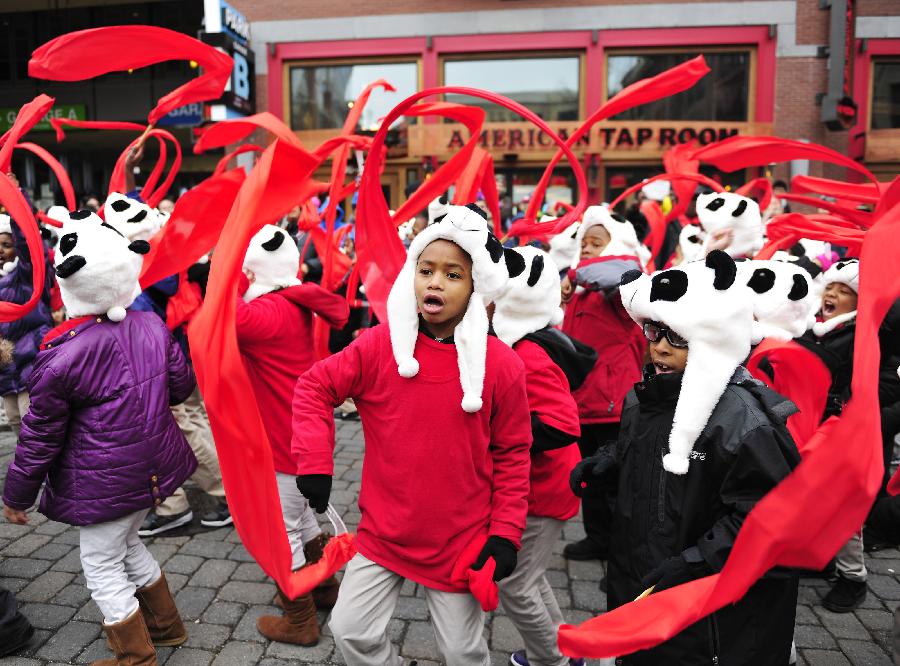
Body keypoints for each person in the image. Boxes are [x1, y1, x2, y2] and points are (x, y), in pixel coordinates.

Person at [292, 204, 531, 666]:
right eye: (426, 270)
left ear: (476, 286)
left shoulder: (503, 366)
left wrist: (505, 534)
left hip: (460, 540)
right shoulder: (379, 344)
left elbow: (514, 453)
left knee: (463, 652)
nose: (435, 282)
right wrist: (315, 463)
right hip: (385, 533)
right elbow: (314, 387)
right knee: (349, 630)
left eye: (453, 274)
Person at [572, 251, 800, 665]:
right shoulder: (642, 400)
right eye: (654, 331)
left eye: (676, 337)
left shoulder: (742, 421)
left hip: (705, 609)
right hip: (640, 581)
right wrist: (609, 461)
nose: (659, 347)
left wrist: (694, 563)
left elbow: (767, 520)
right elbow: (645, 454)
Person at [2, 208, 196, 665]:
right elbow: (182, 387)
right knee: (128, 544)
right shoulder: (150, 325)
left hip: (104, 480)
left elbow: (38, 439)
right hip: (151, 469)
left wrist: (16, 497)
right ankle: (167, 627)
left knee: (102, 562)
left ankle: (135, 655)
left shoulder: (62, 358)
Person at [233, 224, 349, 645]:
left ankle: (299, 621)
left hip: (288, 439)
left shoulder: (267, 312)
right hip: (304, 433)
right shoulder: (290, 301)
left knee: (281, 531)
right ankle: (322, 588)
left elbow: (226, 317)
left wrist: (228, 273)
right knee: (300, 518)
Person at [492, 245, 593, 666]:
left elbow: (562, 424)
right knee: (530, 577)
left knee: (514, 583)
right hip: (544, 486)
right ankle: (561, 649)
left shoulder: (528, 354)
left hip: (544, 488)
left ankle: (550, 659)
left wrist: (500, 436)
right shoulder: (520, 345)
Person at [559, 206, 645, 562]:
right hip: (584, 402)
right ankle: (599, 538)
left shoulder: (619, 286)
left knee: (614, 481)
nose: (587, 247)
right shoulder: (582, 290)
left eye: (597, 242)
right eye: (584, 243)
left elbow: (624, 270)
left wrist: (575, 272)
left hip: (612, 403)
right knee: (593, 476)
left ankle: (620, 546)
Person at [0, 207, 54, 436]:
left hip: (31, 361)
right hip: (6, 366)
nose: (0, 251)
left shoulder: (25, 274)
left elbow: (28, 246)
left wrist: (15, 207)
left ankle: (46, 470)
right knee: (14, 420)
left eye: (6, 244)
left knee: (32, 422)